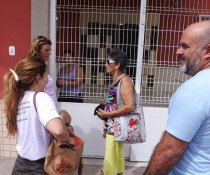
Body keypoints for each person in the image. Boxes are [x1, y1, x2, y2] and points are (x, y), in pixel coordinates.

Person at [143, 21, 210, 175]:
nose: (177, 51)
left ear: (208, 50)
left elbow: (169, 151)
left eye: (185, 46)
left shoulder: (194, 91)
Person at [2, 57, 70, 174]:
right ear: (38, 78)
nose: (47, 81)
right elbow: (59, 131)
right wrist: (63, 118)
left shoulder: (17, 99)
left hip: (20, 165)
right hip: (40, 167)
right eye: (46, 77)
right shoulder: (41, 97)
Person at [96, 48, 135, 175]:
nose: (105, 64)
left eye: (108, 62)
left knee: (110, 159)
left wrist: (108, 115)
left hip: (116, 127)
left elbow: (130, 106)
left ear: (117, 65)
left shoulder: (124, 81)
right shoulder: (117, 80)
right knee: (116, 157)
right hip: (112, 127)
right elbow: (113, 104)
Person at [27, 35, 57, 103]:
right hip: (43, 108)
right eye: (46, 50)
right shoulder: (34, 67)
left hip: (50, 106)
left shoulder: (43, 65)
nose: (49, 53)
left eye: (50, 50)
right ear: (37, 50)